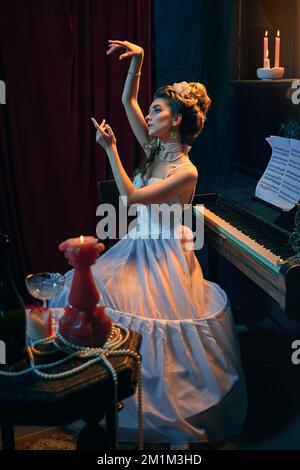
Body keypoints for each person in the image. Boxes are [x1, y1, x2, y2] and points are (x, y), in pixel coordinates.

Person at [51, 40, 247, 448]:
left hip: (163, 255)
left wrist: (110, 150)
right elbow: (127, 101)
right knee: (89, 295)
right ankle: (100, 394)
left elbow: (132, 199)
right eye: (153, 108)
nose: (151, 114)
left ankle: (158, 407)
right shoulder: (155, 149)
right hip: (138, 243)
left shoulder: (186, 171)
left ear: (176, 121)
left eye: (159, 110)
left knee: (159, 336)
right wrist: (137, 60)